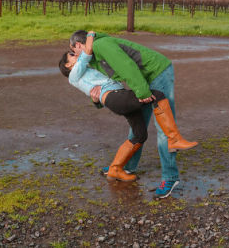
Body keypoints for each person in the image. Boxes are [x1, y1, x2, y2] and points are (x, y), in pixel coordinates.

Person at [67, 30, 196, 197]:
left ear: (78, 45)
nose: (75, 55)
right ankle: (127, 166)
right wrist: (97, 100)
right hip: (142, 78)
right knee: (138, 125)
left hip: (157, 71)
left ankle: (170, 177)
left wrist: (142, 92)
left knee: (163, 127)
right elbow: (105, 85)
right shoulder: (93, 60)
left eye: (73, 51)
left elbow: (127, 67)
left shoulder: (101, 45)